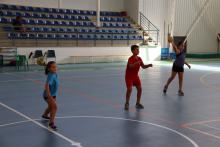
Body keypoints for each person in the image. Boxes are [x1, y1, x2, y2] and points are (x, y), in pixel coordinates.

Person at [124, 45, 153, 110]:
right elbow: (130, 67)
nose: (138, 51)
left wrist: (149, 65)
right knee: (129, 89)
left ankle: (138, 103)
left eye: (138, 49)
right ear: (132, 51)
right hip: (129, 77)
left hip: (135, 77)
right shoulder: (130, 59)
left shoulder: (139, 58)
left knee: (140, 89)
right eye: (136, 49)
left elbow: (143, 66)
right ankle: (127, 103)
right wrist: (135, 64)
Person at [42, 61, 59, 130]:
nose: (55, 68)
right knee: (54, 107)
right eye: (53, 67)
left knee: (50, 106)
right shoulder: (51, 75)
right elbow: (46, 86)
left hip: (53, 94)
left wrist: (47, 65)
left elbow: (50, 68)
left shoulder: (54, 73)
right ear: (49, 69)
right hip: (48, 95)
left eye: (56, 67)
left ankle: (45, 115)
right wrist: (49, 96)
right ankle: (51, 124)